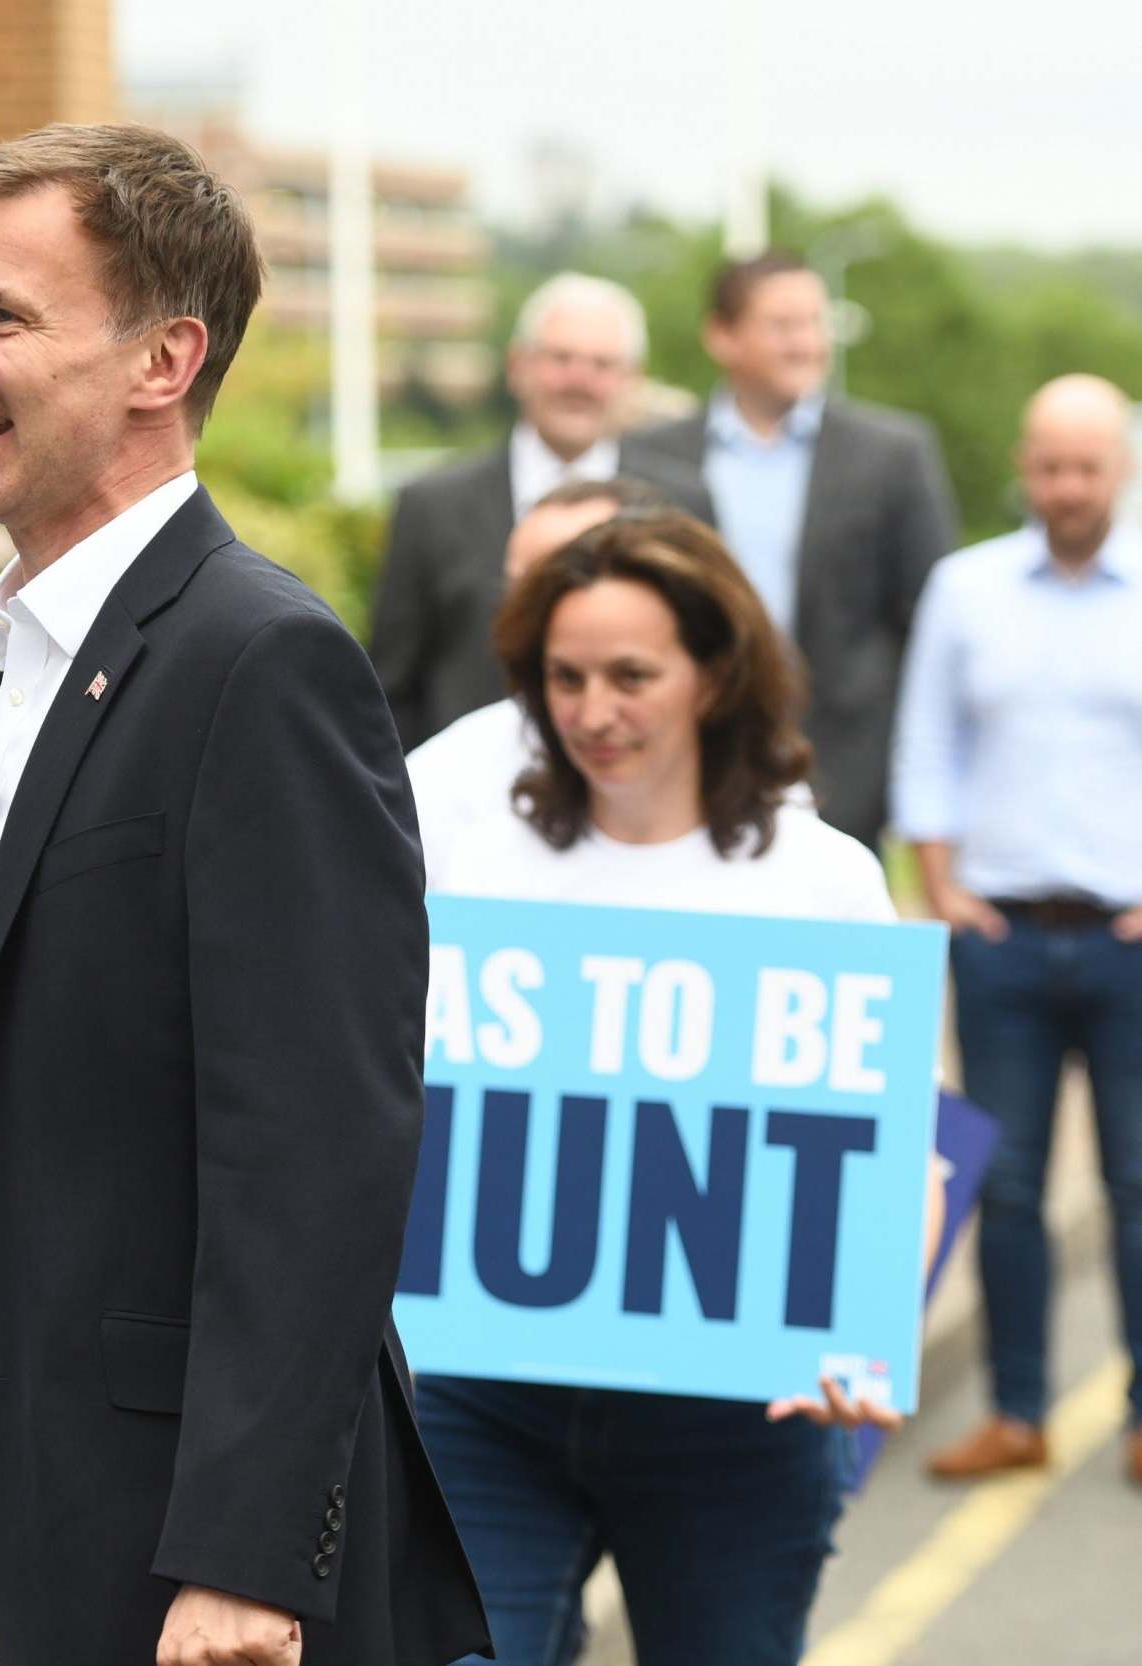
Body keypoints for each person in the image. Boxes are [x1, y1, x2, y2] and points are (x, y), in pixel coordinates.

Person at [0, 123, 488, 1666]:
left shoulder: (261, 663)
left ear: (163, 359)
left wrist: (246, 1555)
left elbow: (314, 1147)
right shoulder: (38, 654)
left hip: (199, 1547)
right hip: (56, 1481)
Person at [414, 508, 913, 1666]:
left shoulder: (819, 881)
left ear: (715, 670)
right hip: (483, 1400)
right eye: (565, 677)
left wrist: (863, 1330)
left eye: (631, 675)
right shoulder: (465, 851)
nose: (593, 712)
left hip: (736, 1425)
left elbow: (893, 1148)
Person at [893, 373, 1142, 1489]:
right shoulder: (966, 587)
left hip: (1129, 938)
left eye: (1086, 467)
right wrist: (940, 883)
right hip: (996, 937)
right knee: (1004, 1185)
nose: (1065, 488)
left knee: (1139, 1185)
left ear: (1121, 466)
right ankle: (1017, 1410)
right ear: (1023, 463)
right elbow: (925, 741)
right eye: (1047, 465)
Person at [629, 251, 958, 847]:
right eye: (782, 326)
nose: (805, 343)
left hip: (845, 773)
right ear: (721, 336)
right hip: (686, 757)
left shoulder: (894, 454)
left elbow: (931, 626)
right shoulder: (650, 457)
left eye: (814, 323)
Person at [369, 272, 715, 749]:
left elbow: (710, 664)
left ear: (631, 380)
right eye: (561, 358)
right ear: (518, 366)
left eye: (601, 364)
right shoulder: (431, 506)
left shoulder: (680, 508)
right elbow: (391, 687)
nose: (580, 379)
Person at [408, 474, 676, 879]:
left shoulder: (766, 801)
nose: (594, 719)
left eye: (574, 580)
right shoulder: (445, 778)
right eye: (522, 586)